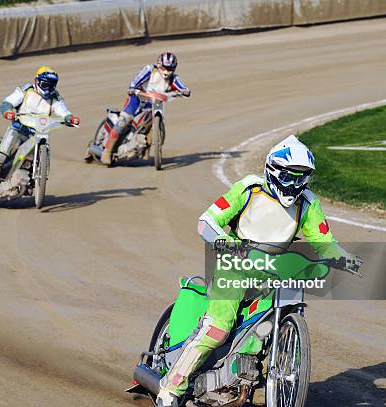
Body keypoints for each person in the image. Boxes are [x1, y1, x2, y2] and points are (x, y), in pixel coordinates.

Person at [156, 135, 362, 407]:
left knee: (270, 324)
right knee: (218, 328)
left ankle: (246, 374)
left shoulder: (308, 204)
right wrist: (226, 243)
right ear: (273, 171)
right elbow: (207, 221)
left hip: (273, 272)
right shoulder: (249, 189)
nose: (294, 185)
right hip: (235, 265)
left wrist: (345, 259)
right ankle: (170, 389)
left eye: (301, 178)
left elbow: (325, 242)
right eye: (289, 177)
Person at [0, 66, 80, 206]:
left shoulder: (55, 97)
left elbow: (63, 111)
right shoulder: (26, 90)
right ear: (37, 81)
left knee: (40, 150)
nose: (49, 88)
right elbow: (7, 102)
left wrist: (70, 118)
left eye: (52, 85)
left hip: (37, 133)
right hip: (18, 129)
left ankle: (31, 177)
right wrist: (8, 111)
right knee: (2, 156)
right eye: (46, 84)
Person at [97, 52, 191, 165]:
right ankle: (107, 152)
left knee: (148, 125)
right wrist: (133, 88)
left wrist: (185, 91)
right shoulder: (150, 70)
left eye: (170, 68)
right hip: (136, 99)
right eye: (165, 68)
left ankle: (150, 149)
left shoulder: (173, 78)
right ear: (159, 65)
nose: (167, 71)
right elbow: (135, 81)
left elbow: (182, 87)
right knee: (124, 121)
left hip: (153, 104)